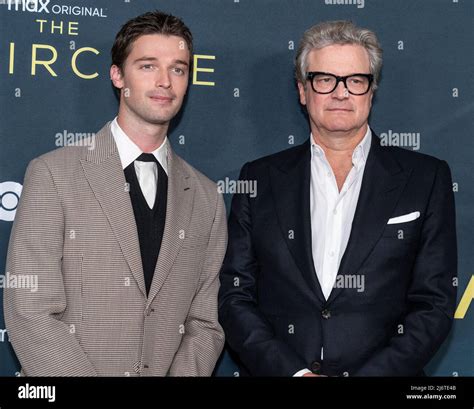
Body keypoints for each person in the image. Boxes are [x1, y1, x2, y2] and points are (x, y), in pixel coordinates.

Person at [218, 20, 457, 376]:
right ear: (303, 90)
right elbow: (236, 296)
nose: (341, 93)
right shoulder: (259, 178)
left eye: (355, 81)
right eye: (325, 79)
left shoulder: (426, 178)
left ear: (371, 91)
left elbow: (434, 303)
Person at [4, 10, 227, 376]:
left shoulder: (206, 197)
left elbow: (204, 323)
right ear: (117, 75)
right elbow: (30, 310)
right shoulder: (52, 174)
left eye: (178, 69)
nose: (165, 82)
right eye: (147, 66)